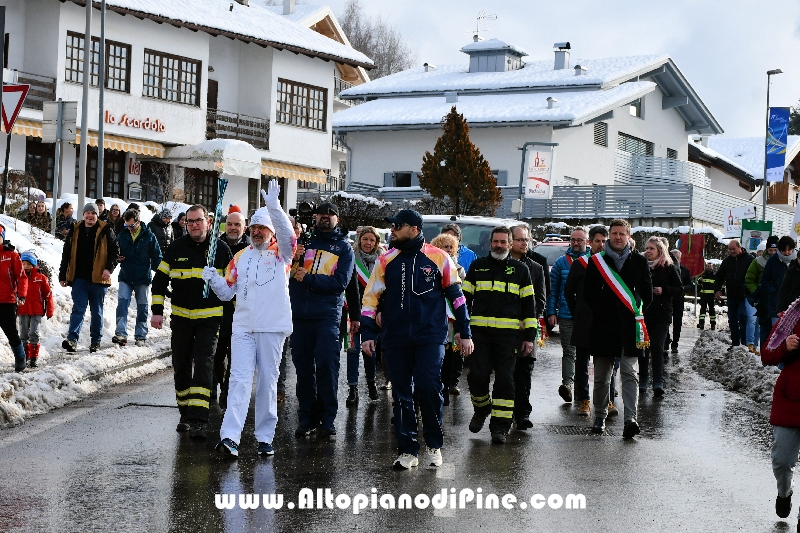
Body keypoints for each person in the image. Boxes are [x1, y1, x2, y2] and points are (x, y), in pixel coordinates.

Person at [361, 209, 472, 469]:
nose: (392, 231)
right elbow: (370, 298)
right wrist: (367, 332)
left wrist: (464, 331)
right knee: (402, 395)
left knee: (429, 387)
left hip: (430, 336)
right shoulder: (386, 260)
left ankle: (434, 445)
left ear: (414, 229)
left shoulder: (439, 257)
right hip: (395, 337)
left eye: (397, 226)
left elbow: (457, 297)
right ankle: (407, 450)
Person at [204, 180, 295, 458]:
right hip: (243, 327)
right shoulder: (240, 256)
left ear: (271, 232)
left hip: (272, 326)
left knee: (268, 381)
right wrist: (215, 279)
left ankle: (265, 438)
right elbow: (226, 292)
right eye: (253, 229)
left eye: (262, 229)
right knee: (239, 381)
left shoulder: (282, 254)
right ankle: (230, 437)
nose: (257, 233)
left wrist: (274, 209)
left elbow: (288, 235)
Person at [151, 204, 232, 439]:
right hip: (182, 318)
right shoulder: (176, 248)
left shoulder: (221, 250)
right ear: (185, 224)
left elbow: (231, 287)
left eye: (199, 220)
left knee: (204, 364)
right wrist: (157, 311)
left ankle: (199, 418)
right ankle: (184, 413)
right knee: (181, 365)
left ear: (208, 221)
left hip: (210, 319)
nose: (195, 225)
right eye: (190, 221)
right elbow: (159, 281)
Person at [462, 225, 537, 444]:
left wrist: (529, 337)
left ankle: (500, 428)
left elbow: (529, 307)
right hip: (479, 337)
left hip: (508, 338)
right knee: (477, 376)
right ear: (490, 243)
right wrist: (461, 330)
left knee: (505, 381)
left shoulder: (521, 271)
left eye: (504, 242)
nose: (499, 245)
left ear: (511, 244)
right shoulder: (478, 266)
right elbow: (463, 302)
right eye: (496, 241)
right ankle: (482, 408)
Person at [289, 201, 354, 439]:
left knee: (327, 367)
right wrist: (292, 259)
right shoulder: (302, 243)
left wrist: (309, 279)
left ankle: (327, 419)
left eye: (330, 214)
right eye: (321, 214)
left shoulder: (344, 249)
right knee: (304, 370)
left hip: (326, 317)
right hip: (299, 316)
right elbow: (286, 275)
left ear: (337, 218)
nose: (325, 217)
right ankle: (306, 418)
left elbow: (339, 284)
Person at [584, 219, 652, 439]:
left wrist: (633, 309)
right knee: (603, 377)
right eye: (614, 233)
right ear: (609, 235)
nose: (618, 237)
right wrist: (604, 309)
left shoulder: (640, 262)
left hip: (630, 328)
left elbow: (647, 294)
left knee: (630, 373)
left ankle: (630, 419)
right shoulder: (597, 262)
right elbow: (588, 294)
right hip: (603, 327)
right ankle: (599, 417)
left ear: (628, 236)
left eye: (622, 233)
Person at [564, 225, 616, 417]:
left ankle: (607, 400)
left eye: (604, 241)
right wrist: (577, 312)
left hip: (606, 323)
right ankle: (584, 400)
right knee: (582, 364)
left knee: (607, 364)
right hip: (585, 320)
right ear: (590, 242)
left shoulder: (613, 264)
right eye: (597, 241)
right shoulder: (580, 264)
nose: (601, 244)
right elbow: (569, 292)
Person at [58, 203, 119, 353]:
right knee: (78, 309)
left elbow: (115, 251)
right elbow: (66, 253)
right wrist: (62, 274)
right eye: (88, 213)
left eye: (93, 213)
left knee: (96, 311)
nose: (90, 216)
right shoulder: (75, 229)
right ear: (83, 214)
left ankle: (95, 341)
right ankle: (72, 340)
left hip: (98, 278)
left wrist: (108, 269)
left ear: (97, 215)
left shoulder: (106, 229)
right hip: (79, 278)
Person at [761, 298, 800, 527]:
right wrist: (785, 346)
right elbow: (767, 354)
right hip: (790, 400)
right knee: (782, 461)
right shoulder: (792, 315)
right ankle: (784, 492)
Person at [508, 224, 546, 427]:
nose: (524, 243)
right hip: (503, 329)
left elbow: (540, 301)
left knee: (524, 372)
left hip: (525, 329)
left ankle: (522, 413)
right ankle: (505, 413)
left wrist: (528, 324)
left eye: (526, 239)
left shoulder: (536, 268)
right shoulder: (500, 265)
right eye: (520, 239)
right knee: (506, 373)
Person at [213, 209, 251, 408]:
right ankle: (218, 382)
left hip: (239, 313)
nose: (233, 228)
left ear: (244, 227)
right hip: (216, 310)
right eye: (230, 224)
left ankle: (227, 392)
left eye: (237, 225)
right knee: (216, 355)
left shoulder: (250, 250)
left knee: (235, 357)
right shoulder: (216, 246)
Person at [546, 227, 588, 404]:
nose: (576, 243)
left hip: (587, 316)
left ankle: (581, 386)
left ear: (586, 241)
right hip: (565, 315)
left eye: (580, 240)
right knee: (569, 352)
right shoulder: (561, 263)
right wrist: (551, 312)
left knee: (584, 353)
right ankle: (568, 385)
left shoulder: (594, 262)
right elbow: (553, 290)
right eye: (573, 239)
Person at [113, 209, 161, 347]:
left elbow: (157, 256)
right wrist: (118, 258)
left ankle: (141, 335)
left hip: (142, 276)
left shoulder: (149, 236)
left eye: (132, 226)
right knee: (122, 303)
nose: (129, 228)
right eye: (126, 225)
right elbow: (115, 253)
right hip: (126, 275)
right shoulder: (122, 236)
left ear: (138, 222)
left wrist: (161, 273)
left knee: (142, 305)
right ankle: (121, 333)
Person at [641, 237, 683, 398]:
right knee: (643, 347)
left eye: (652, 248)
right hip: (644, 314)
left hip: (662, 314)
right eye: (647, 248)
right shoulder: (642, 266)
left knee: (657, 346)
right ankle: (643, 379)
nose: (648, 251)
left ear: (660, 250)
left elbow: (679, 289)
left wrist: (664, 290)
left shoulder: (668, 267)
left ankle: (658, 381)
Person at [345, 226, 382, 406]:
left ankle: (371, 382)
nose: (368, 243)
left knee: (370, 351)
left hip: (371, 314)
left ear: (376, 242)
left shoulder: (382, 261)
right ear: (359, 240)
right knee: (352, 351)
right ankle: (353, 389)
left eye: (372, 240)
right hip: (352, 313)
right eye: (365, 239)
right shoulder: (351, 258)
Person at [430, 232, 466, 405]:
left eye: (452, 247)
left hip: (452, 319)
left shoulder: (459, 269)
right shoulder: (431, 265)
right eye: (446, 246)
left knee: (451, 357)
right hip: (436, 316)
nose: (449, 250)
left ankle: (446, 387)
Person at [277, 217, 304, 403]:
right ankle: (279, 387)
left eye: (294, 227)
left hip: (301, 307)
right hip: (281, 305)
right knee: (281, 350)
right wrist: (294, 258)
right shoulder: (276, 247)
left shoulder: (306, 246)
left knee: (299, 352)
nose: (292, 230)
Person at [714, 239, 756, 351]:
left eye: (733, 249)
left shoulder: (749, 260)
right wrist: (717, 289)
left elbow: (755, 276)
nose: (732, 251)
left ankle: (743, 342)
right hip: (732, 296)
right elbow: (719, 276)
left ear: (739, 247)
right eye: (730, 249)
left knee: (743, 317)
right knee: (732, 319)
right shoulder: (727, 262)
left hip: (744, 296)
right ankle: (735, 343)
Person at [17, 251, 53, 368]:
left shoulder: (41, 278)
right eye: (23, 263)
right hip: (23, 309)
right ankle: (24, 357)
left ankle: (34, 358)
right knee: (23, 334)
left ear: (33, 264)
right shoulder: (19, 277)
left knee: (34, 333)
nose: (25, 266)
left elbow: (48, 294)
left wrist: (49, 309)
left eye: (28, 264)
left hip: (37, 310)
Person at [0, 223, 28, 371]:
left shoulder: (11, 254)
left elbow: (22, 277)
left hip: (7, 300)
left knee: (10, 331)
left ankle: (20, 356)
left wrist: (22, 295)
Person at [747, 236, 779, 347]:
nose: (773, 253)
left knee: (776, 331)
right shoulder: (758, 261)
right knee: (764, 330)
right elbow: (749, 279)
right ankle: (764, 356)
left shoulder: (784, 261)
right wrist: (757, 291)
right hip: (764, 301)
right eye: (770, 250)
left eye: (775, 250)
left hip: (777, 301)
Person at [761, 236, 797, 329]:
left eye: (789, 250)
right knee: (778, 333)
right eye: (784, 250)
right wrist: (774, 291)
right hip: (776, 305)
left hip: (795, 305)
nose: (787, 253)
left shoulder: (797, 261)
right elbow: (764, 280)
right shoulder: (772, 261)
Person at [664, 249, 692, 354]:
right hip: (668, 299)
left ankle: (675, 344)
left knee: (677, 323)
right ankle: (666, 341)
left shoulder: (685, 270)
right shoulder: (667, 269)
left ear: (680, 258)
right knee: (665, 321)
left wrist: (683, 288)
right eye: (673, 257)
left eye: (676, 258)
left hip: (679, 299)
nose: (674, 259)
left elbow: (690, 284)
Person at [697, 262, 717, 330]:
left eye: (710, 266)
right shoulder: (703, 275)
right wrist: (700, 280)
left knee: (712, 310)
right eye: (708, 266)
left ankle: (713, 324)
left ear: (712, 267)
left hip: (711, 296)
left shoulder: (715, 276)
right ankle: (701, 324)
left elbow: (717, 285)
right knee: (702, 310)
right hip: (704, 296)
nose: (708, 267)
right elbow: (698, 283)